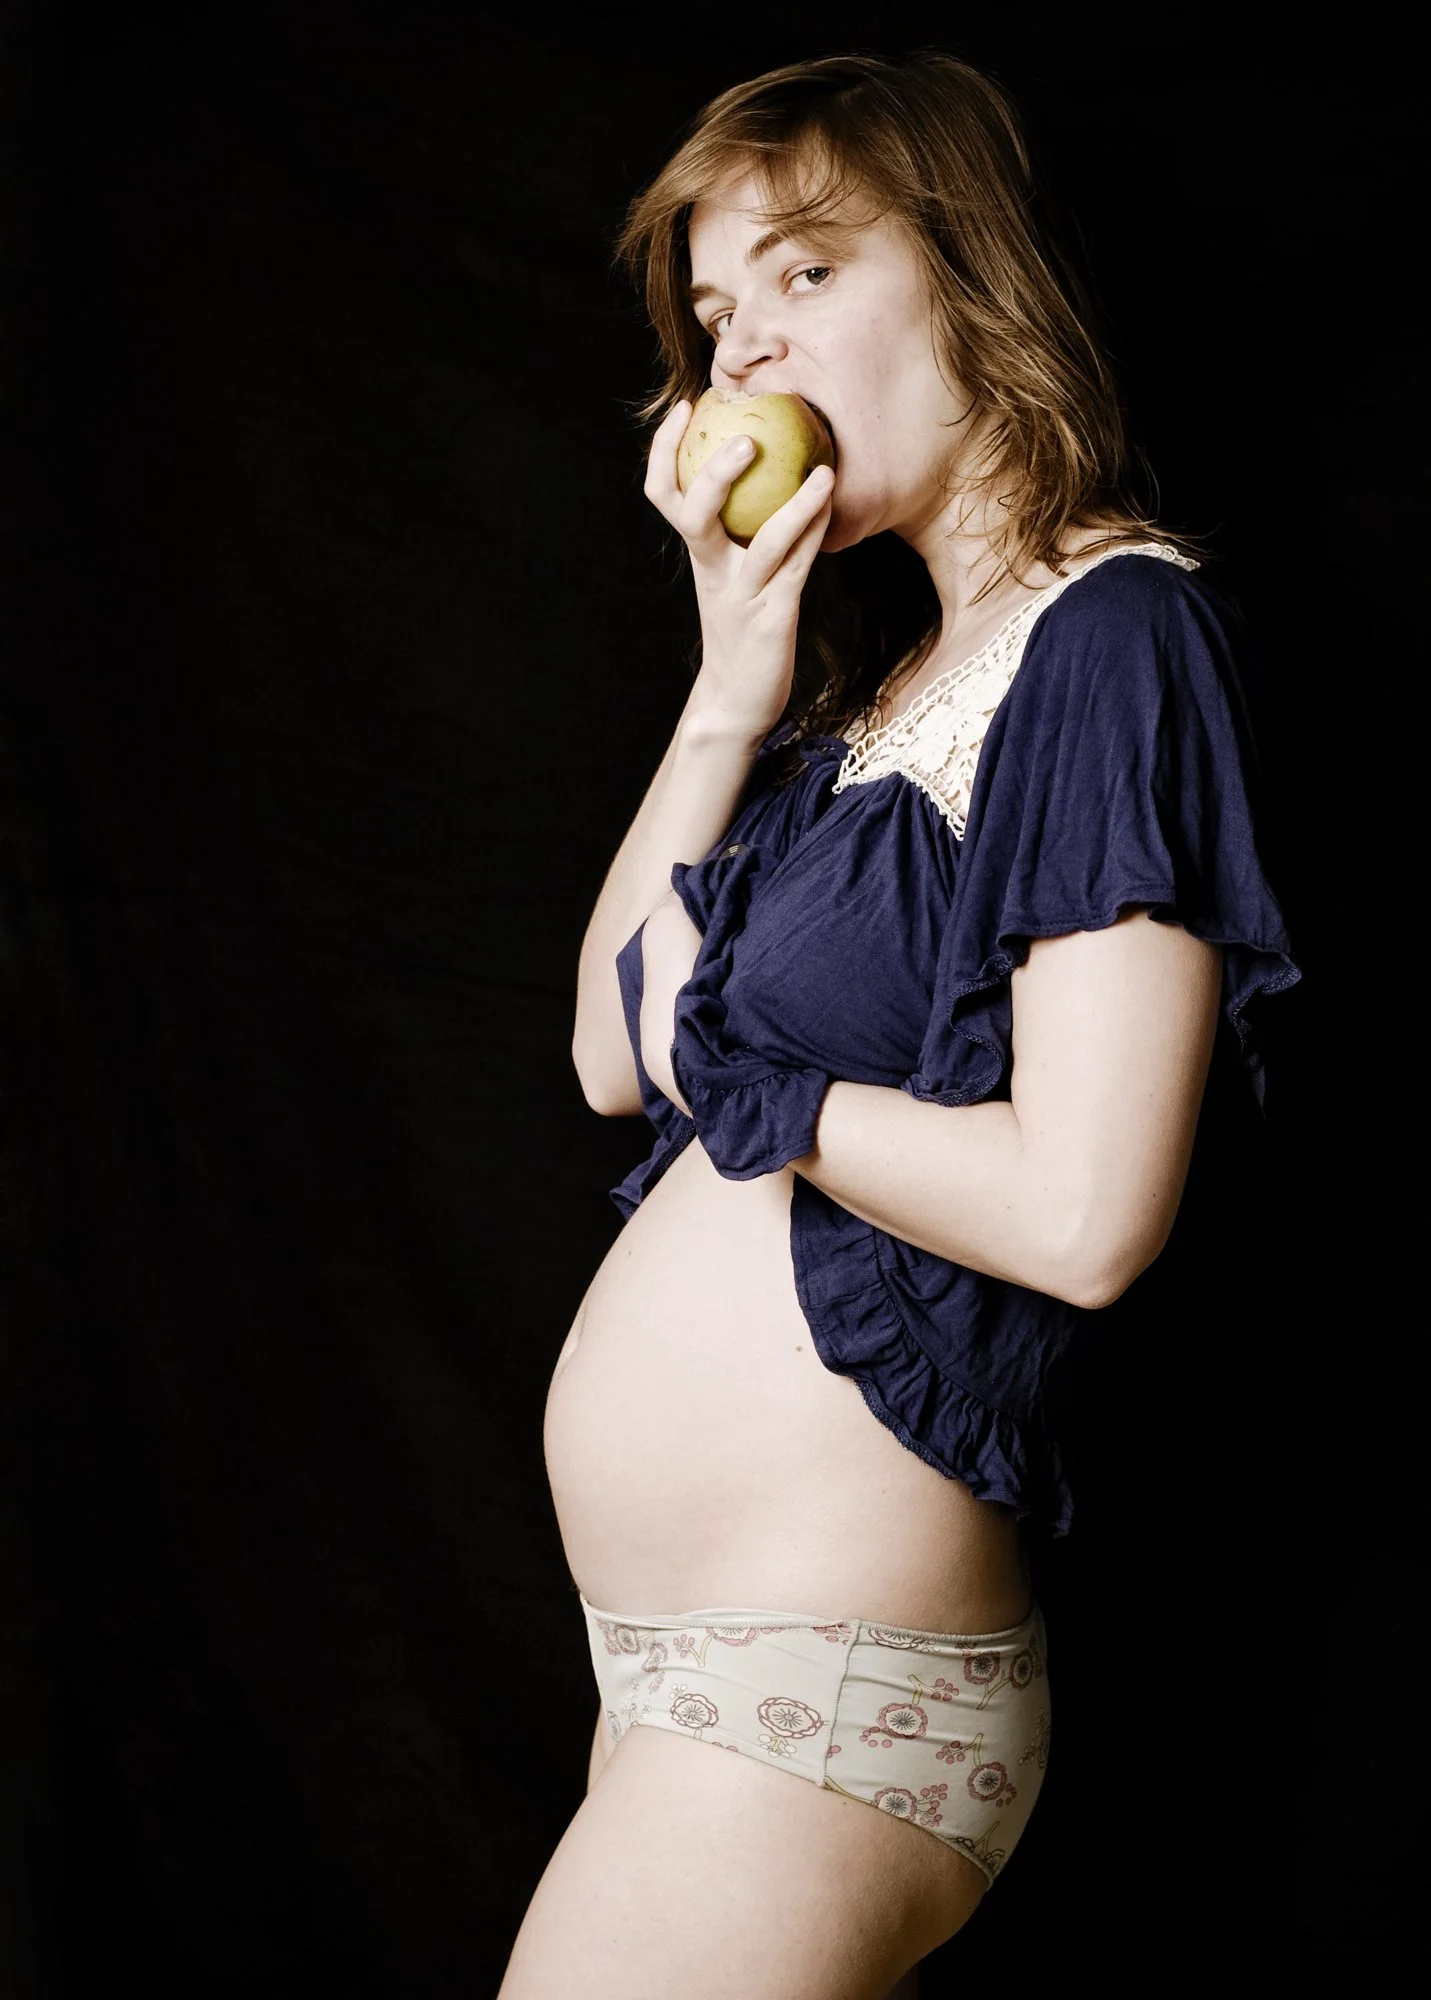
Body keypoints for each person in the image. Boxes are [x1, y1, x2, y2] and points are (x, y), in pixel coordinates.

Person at [499, 48, 1299, 2000]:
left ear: (968, 269)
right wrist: (727, 675)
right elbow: (618, 1044)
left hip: (819, 1687)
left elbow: (1086, 1213)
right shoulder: (855, 714)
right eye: (708, 312)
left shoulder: (1113, 635)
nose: (736, 349)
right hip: (683, 1681)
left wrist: (768, 1088)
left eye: (798, 272)